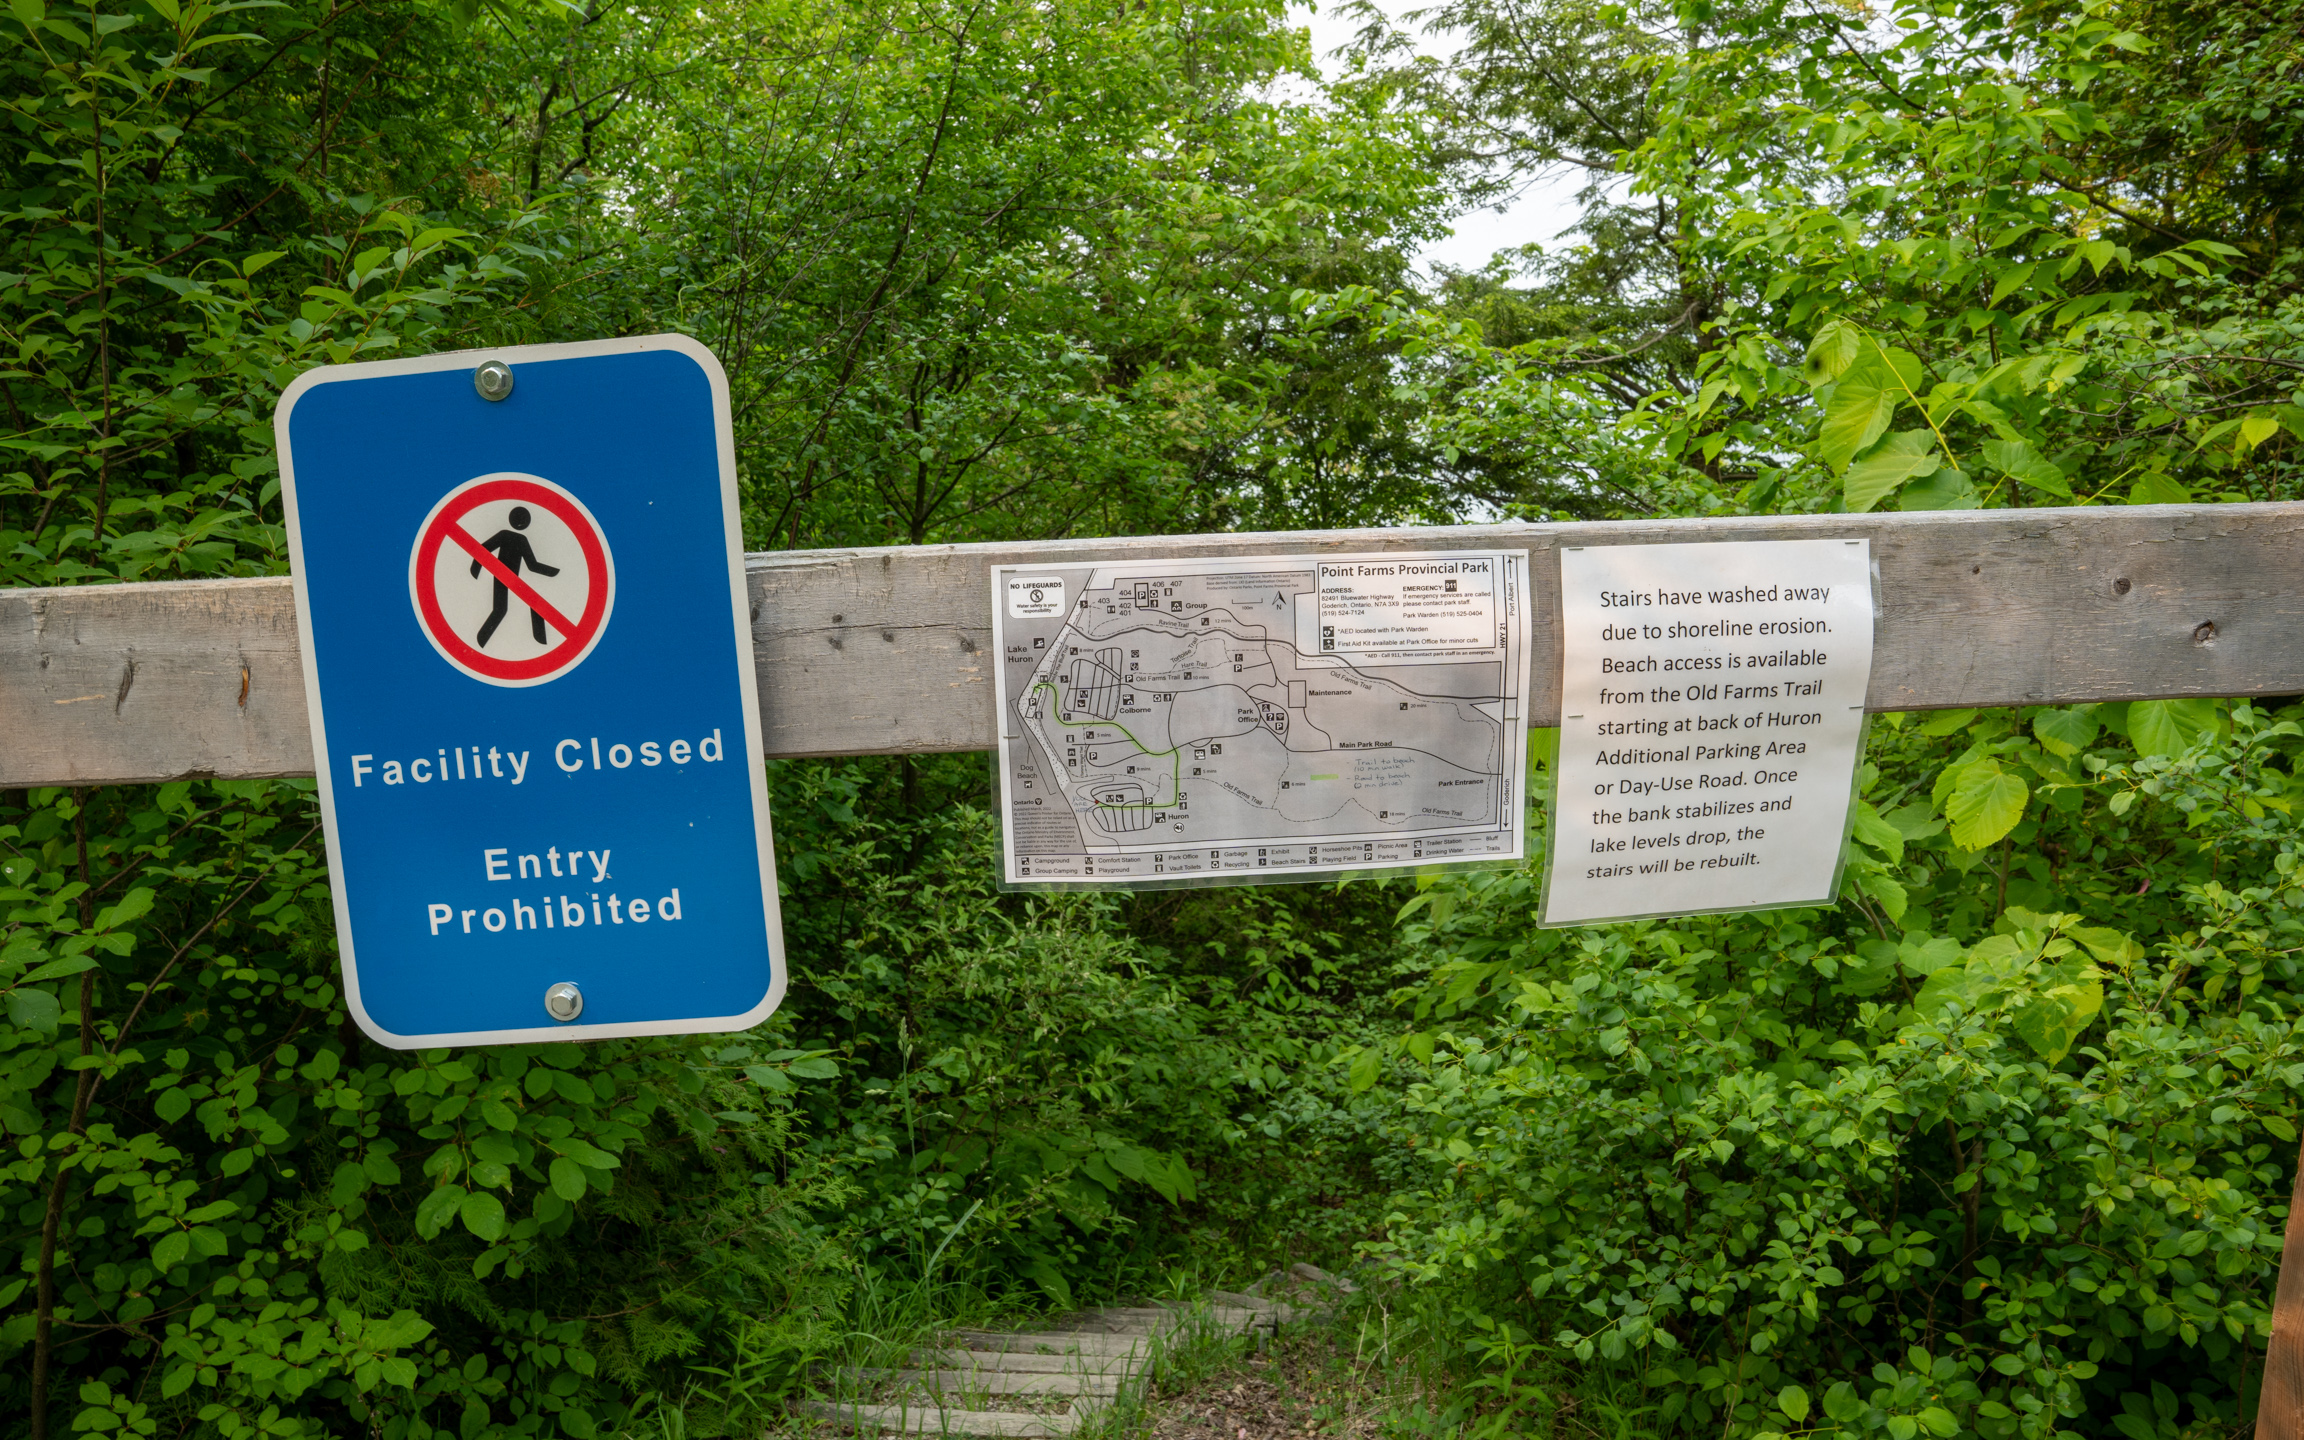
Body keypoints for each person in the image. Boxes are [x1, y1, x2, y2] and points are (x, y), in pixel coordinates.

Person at [472, 506, 561, 646]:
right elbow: (483, 549)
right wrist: (475, 570)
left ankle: (540, 640)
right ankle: (480, 640)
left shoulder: (514, 537)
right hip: (503, 576)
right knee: (502, 609)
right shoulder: (511, 536)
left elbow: (532, 565)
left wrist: (554, 572)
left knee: (518, 606)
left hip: (512, 580)